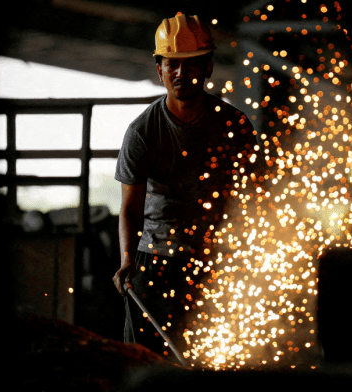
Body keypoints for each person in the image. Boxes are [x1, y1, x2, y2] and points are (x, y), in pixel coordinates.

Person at [112, 13, 261, 360]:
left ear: (208, 68)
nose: (182, 73)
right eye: (172, 65)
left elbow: (252, 201)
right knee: (143, 360)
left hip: (216, 262)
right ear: (159, 70)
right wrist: (126, 262)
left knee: (214, 358)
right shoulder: (143, 132)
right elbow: (131, 208)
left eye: (191, 64)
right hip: (155, 261)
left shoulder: (234, 126)